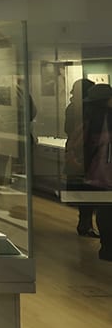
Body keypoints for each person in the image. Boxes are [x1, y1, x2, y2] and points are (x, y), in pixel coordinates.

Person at [64, 78, 97, 237]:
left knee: (84, 190)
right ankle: (86, 224)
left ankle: (85, 222)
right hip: (85, 153)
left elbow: (67, 128)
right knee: (89, 190)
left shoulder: (72, 107)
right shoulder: (88, 109)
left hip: (75, 151)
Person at [83, 83, 112, 260]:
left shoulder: (90, 115)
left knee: (104, 207)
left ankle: (107, 247)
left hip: (98, 168)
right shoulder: (106, 117)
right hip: (105, 167)